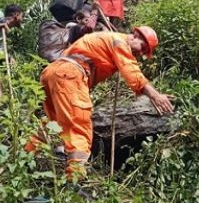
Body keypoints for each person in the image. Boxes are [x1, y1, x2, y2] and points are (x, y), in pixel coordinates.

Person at [26, 27, 174, 181]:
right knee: (79, 124)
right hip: (69, 75)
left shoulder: (110, 39)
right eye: (142, 47)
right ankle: (75, 180)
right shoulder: (119, 42)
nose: (141, 53)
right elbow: (132, 72)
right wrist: (155, 96)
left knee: (54, 124)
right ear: (135, 35)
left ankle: (23, 159)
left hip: (54, 72)